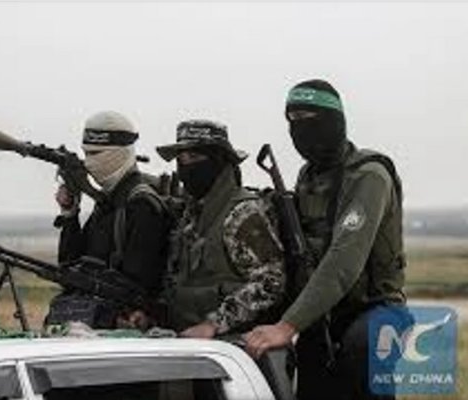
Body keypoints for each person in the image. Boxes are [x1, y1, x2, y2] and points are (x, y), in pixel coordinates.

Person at [245, 80, 406, 400]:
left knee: (361, 350)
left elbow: (344, 260)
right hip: (324, 312)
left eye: (308, 119)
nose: (299, 130)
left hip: (375, 309)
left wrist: (287, 326)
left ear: (333, 121)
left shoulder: (369, 174)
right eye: (292, 120)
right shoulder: (309, 176)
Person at [156, 119, 286, 339]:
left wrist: (214, 324)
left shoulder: (242, 213)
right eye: (181, 159)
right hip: (189, 341)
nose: (186, 166)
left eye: (194, 157)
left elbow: (270, 283)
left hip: (235, 346)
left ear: (218, 161)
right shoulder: (191, 214)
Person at [46, 111, 170, 329]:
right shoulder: (107, 202)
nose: (89, 162)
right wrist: (70, 214)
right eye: (86, 153)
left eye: (96, 153)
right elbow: (69, 266)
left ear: (120, 153)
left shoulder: (142, 205)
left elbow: (138, 285)